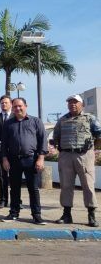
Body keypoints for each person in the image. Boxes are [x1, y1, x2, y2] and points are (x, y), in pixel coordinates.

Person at [53, 94, 101, 227]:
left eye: (75, 102)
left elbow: (99, 135)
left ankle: (91, 215)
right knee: (66, 186)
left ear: (82, 104)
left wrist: (92, 149)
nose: (72, 104)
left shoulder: (90, 119)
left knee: (88, 186)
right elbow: (55, 137)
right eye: (70, 102)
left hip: (84, 155)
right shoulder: (62, 120)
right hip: (66, 156)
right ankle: (67, 214)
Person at [1, 98, 48, 225]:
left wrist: (41, 158)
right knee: (14, 188)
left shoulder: (35, 121)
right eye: (15, 106)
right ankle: (13, 213)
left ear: (25, 106)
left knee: (33, 189)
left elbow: (43, 140)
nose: (17, 108)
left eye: (20, 106)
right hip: (14, 160)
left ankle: (36, 215)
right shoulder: (8, 124)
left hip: (31, 159)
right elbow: (4, 144)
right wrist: (4, 159)